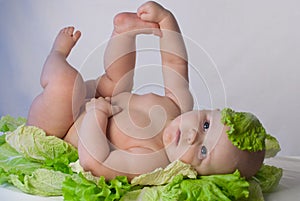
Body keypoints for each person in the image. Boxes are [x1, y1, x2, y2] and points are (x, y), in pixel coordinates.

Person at [27, 1, 265, 181]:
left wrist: (96, 116)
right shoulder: (179, 105)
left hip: (61, 125)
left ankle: (56, 55)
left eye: (203, 151)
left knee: (67, 86)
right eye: (205, 125)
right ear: (209, 111)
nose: (192, 135)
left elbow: (97, 161)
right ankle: (123, 33)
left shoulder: (153, 160)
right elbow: (174, 63)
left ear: (196, 174)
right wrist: (166, 20)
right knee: (118, 80)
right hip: (102, 93)